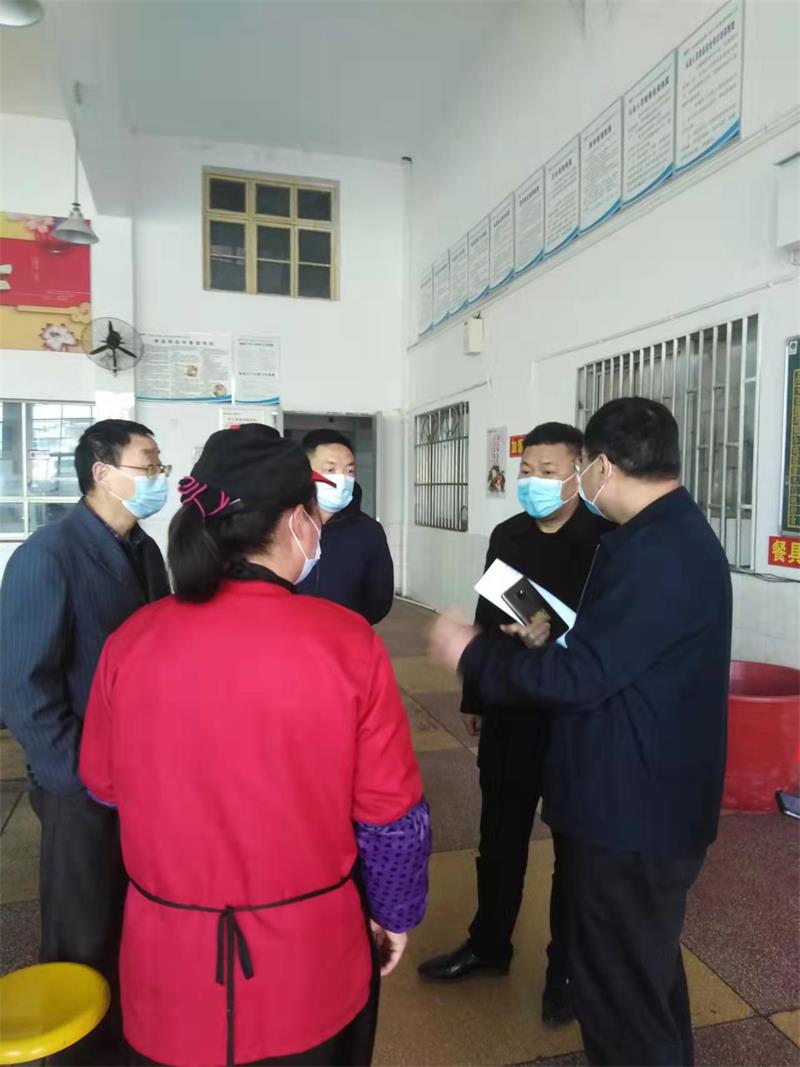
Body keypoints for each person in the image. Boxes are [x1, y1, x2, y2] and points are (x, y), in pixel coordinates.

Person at [79, 424, 431, 1067]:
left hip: (167, 966)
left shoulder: (132, 640)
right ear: (297, 521)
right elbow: (391, 816)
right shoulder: (346, 641)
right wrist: (395, 913)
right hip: (309, 965)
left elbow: (103, 786)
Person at [429, 398, 731, 1067]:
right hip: (643, 797)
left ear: (599, 466)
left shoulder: (655, 552)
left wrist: (472, 654)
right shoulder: (666, 534)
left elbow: (583, 677)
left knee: (622, 999)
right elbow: (615, 654)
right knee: (645, 979)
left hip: (634, 810)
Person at [419, 423, 611, 1027]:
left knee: (575, 848)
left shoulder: (605, 542)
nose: (534, 483)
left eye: (549, 472)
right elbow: (484, 618)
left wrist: (554, 636)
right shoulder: (508, 534)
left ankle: (566, 971)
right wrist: (475, 696)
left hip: (574, 717)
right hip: (510, 707)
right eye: (527, 472)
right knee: (499, 834)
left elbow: (611, 639)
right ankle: (489, 945)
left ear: (579, 474)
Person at [0, 418, 171, 1064]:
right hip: (77, 785)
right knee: (81, 931)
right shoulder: (47, 556)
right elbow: (23, 687)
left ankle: (129, 1041)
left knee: (134, 921)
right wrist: (76, 779)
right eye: (147, 464)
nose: (158, 476)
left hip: (139, 777)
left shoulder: (145, 552)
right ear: (102, 473)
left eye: (159, 465)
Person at [296, 428, 394, 623]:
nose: (342, 479)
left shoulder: (369, 531)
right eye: (330, 470)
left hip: (346, 634)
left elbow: (379, 600)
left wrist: (349, 626)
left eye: (349, 471)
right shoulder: (285, 524)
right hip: (288, 634)